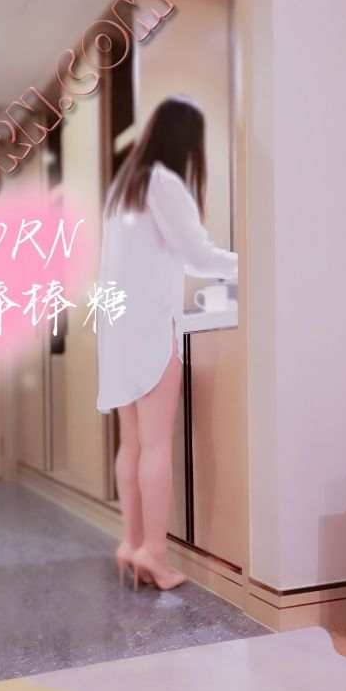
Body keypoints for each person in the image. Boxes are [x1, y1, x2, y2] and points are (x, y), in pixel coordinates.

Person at [96, 95, 238, 591]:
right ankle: (154, 555)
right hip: (151, 327)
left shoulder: (124, 189)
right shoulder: (164, 183)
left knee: (132, 443)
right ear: (186, 141)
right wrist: (252, 263)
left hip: (117, 329)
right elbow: (197, 255)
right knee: (156, 445)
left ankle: (130, 543)